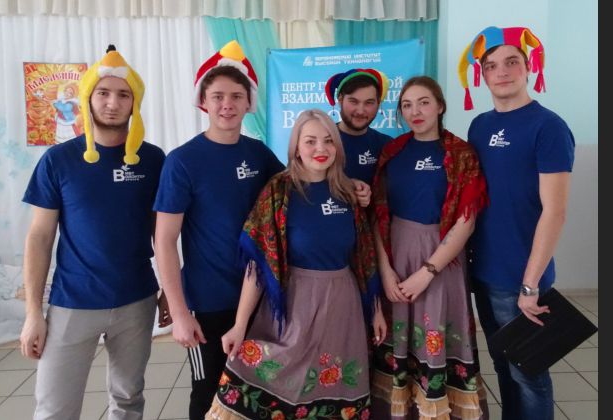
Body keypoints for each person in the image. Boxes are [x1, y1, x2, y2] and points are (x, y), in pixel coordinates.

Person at [205, 109, 387, 419]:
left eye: (328, 140)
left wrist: (377, 311)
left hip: (343, 307)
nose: (321, 148)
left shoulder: (348, 193)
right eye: (311, 141)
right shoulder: (278, 191)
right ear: (296, 148)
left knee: (335, 388)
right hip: (293, 307)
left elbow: (363, 258)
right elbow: (258, 264)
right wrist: (239, 324)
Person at [20, 45, 170, 420]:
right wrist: (33, 313)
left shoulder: (154, 160)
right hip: (72, 302)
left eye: (123, 95)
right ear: (88, 97)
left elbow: (165, 236)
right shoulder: (58, 160)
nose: (112, 103)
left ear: (135, 103)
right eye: (103, 93)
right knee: (55, 408)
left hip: (136, 300)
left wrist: (171, 289)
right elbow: (39, 237)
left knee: (128, 400)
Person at [153, 40, 286, 420]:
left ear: (248, 102)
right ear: (204, 102)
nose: (227, 104)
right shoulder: (182, 161)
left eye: (236, 96)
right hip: (206, 302)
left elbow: (299, 191)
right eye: (218, 96)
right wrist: (180, 312)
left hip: (258, 298)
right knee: (208, 391)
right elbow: (164, 240)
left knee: (259, 390)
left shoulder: (258, 154)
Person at [459, 26, 575, 420]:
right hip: (483, 273)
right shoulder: (479, 126)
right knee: (503, 366)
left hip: (522, 278)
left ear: (528, 68)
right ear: (483, 75)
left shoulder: (548, 126)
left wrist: (530, 285)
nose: (502, 72)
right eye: (491, 65)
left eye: (512, 62)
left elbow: (555, 212)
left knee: (529, 374)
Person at [370, 76, 489, 419]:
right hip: (396, 256)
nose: (415, 111)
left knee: (436, 331)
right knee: (398, 337)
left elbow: (466, 221)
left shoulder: (460, 153)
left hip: (442, 261)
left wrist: (428, 271)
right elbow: (377, 214)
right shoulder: (392, 152)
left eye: (423, 102)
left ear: (439, 106)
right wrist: (385, 270)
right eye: (407, 105)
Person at [325, 68, 393, 185]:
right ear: (340, 100)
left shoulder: (387, 146)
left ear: (378, 103)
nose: (360, 111)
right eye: (353, 101)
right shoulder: (322, 141)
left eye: (369, 102)